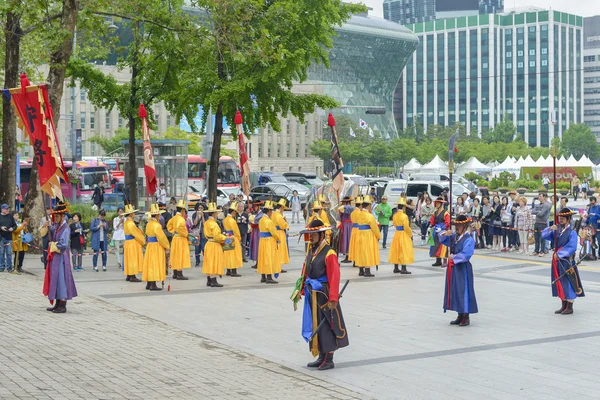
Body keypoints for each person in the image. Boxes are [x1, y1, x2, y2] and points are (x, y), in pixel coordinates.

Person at [299, 219, 348, 371]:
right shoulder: (312, 250)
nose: (311, 237)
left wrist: (333, 297)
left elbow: (334, 276)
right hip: (313, 294)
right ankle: (321, 356)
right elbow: (305, 270)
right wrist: (301, 288)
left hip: (325, 295)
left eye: (313, 234)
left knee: (327, 325)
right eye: (309, 234)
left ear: (321, 235)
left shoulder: (329, 252)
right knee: (316, 324)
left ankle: (329, 359)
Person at [542, 208, 585, 315]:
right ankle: (563, 304)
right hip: (557, 261)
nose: (560, 220)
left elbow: (572, 247)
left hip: (566, 261)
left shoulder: (572, 232)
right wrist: (551, 228)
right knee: (560, 282)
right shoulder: (558, 230)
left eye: (562, 218)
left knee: (568, 282)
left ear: (568, 219)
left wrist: (560, 253)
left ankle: (569, 306)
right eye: (559, 218)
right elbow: (545, 236)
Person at [440, 215, 478, 327]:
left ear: (465, 226)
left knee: (463, 290)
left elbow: (467, 254)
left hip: (463, 269)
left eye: (459, 225)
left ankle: (466, 316)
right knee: (455, 289)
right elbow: (442, 239)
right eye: (456, 225)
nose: (457, 227)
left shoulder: (469, 239)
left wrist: (454, 257)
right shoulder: (455, 237)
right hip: (454, 268)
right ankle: (459, 313)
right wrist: (445, 234)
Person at [43, 202, 77, 313]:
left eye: (57, 216)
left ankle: (63, 304)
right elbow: (51, 230)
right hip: (55, 257)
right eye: (55, 216)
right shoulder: (57, 227)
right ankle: (57, 302)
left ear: (63, 216)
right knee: (55, 278)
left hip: (62, 257)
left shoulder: (66, 229)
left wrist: (53, 245)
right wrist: (48, 225)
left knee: (61, 279)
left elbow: (64, 244)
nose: (55, 218)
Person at [142, 204, 170, 291]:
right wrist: (167, 246)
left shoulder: (149, 224)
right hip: (156, 246)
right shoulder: (157, 225)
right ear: (158, 215)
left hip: (150, 245)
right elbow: (161, 237)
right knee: (155, 263)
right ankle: (153, 284)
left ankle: (149, 282)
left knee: (150, 263)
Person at [202, 202, 229, 287]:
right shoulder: (214, 224)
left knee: (208, 261)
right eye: (216, 212)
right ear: (214, 213)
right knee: (214, 261)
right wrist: (225, 238)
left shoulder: (206, 222)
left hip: (208, 243)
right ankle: (213, 280)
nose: (217, 214)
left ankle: (209, 279)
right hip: (214, 244)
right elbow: (217, 236)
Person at [355, 195, 381, 277]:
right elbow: (374, 227)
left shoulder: (359, 214)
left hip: (359, 233)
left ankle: (361, 270)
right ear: (369, 205)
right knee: (367, 252)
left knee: (360, 251)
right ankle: (367, 270)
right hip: (367, 235)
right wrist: (378, 236)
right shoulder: (369, 216)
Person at [257, 200, 281, 284]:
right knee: (269, 258)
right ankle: (269, 277)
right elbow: (274, 233)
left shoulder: (261, 220)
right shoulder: (269, 221)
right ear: (269, 211)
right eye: (271, 211)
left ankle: (263, 276)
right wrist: (278, 238)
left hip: (262, 240)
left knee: (263, 258)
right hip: (269, 241)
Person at [388, 198, 414, 274]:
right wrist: (410, 234)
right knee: (404, 250)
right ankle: (403, 268)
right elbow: (406, 227)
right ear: (403, 207)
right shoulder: (404, 216)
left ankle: (396, 267)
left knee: (396, 250)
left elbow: (395, 224)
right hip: (403, 233)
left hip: (397, 233)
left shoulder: (395, 215)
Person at [167, 200, 191, 280]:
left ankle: (175, 272)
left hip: (175, 238)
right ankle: (179, 273)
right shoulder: (181, 219)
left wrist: (173, 231)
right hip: (180, 239)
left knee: (175, 255)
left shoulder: (174, 218)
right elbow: (181, 229)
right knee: (180, 255)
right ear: (182, 210)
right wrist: (186, 234)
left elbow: (169, 225)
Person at [123, 204, 144, 283]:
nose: (134, 215)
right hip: (132, 242)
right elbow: (136, 234)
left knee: (129, 259)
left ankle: (129, 274)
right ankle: (132, 276)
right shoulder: (131, 224)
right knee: (133, 259)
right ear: (131, 214)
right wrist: (142, 240)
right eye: (133, 213)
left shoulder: (126, 222)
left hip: (128, 242)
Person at [223, 201, 243, 277]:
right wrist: (239, 238)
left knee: (228, 253)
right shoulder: (232, 221)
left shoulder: (225, 219)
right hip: (233, 237)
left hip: (227, 236)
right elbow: (236, 231)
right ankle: (234, 271)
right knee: (234, 255)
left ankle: (228, 270)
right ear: (233, 212)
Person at [429, 198, 450, 267]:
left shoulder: (445, 213)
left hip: (443, 231)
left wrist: (442, 228)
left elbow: (447, 222)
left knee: (443, 246)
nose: (437, 204)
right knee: (436, 245)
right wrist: (430, 226)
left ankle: (444, 260)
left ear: (441, 204)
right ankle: (438, 261)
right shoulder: (435, 213)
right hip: (436, 231)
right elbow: (432, 221)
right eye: (436, 203)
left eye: (438, 203)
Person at [531, 192, 552, 257]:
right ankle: (536, 250)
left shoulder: (546, 205)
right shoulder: (537, 205)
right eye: (539, 196)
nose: (539, 198)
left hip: (543, 223)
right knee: (536, 238)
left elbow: (542, 214)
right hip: (537, 222)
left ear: (544, 197)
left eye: (540, 196)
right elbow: (532, 211)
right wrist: (538, 212)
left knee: (542, 238)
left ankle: (542, 251)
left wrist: (537, 212)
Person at [273, 199, 290, 273]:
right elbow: (283, 225)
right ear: (281, 208)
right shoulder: (279, 216)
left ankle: (277, 266)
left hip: (276, 232)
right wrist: (286, 222)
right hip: (279, 233)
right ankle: (278, 267)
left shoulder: (274, 214)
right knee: (280, 250)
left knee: (277, 249)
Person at [0, 204, 16, 273]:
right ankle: (1, 267)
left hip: (9, 237)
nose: (7, 210)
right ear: (2, 210)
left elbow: (15, 225)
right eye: (6, 209)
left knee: (9, 253)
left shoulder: (10, 217)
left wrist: (13, 228)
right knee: (1, 253)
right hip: (1, 238)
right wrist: (1, 228)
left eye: (8, 209)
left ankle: (9, 268)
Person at [337, 196, 354, 263]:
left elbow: (343, 209)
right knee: (346, 240)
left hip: (347, 225)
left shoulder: (347, 207)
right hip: (346, 225)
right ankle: (347, 256)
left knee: (347, 240)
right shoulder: (347, 207)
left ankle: (348, 256)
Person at [347, 196, 362, 266]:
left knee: (353, 245)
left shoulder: (352, 213)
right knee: (358, 246)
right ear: (360, 205)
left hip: (353, 230)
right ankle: (358, 260)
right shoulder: (360, 213)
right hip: (359, 230)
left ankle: (354, 261)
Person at [249, 200, 264, 269]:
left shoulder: (261, 214)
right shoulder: (257, 214)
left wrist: (251, 217)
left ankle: (259, 262)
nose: (254, 208)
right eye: (254, 206)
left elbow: (254, 221)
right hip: (255, 232)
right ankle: (257, 262)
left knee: (258, 247)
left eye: (255, 206)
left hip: (259, 232)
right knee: (255, 246)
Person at [191, 203, 205, 267]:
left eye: (202, 208)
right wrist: (197, 216)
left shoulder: (205, 214)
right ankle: (197, 261)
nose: (200, 209)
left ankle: (206, 260)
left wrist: (202, 216)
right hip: (196, 233)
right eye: (199, 208)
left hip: (203, 233)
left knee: (203, 247)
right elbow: (194, 223)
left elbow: (205, 224)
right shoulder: (194, 214)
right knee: (196, 248)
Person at [112, 206, 126, 270]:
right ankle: (119, 262)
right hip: (117, 235)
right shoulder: (115, 219)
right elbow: (115, 228)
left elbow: (125, 228)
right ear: (118, 212)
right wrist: (119, 222)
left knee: (125, 249)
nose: (121, 213)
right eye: (119, 211)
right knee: (116, 249)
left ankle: (124, 262)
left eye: (122, 211)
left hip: (123, 235)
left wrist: (123, 223)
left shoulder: (125, 219)